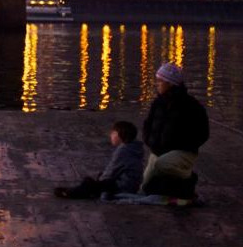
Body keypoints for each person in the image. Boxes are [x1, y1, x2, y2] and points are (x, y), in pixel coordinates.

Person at [140, 62, 209, 198]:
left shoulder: (191, 105)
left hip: (183, 152)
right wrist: (149, 140)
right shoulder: (158, 103)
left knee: (161, 165)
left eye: (160, 81)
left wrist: (185, 146)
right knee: (143, 188)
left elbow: (203, 132)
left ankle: (188, 176)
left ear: (170, 83)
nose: (157, 84)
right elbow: (148, 124)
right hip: (158, 151)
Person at [54, 120, 144, 199]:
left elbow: (112, 170)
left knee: (89, 183)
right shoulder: (134, 147)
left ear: (119, 135)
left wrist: (99, 182)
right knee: (97, 180)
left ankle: (71, 193)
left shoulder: (124, 151)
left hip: (123, 187)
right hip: (132, 185)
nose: (111, 135)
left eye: (113, 133)